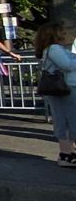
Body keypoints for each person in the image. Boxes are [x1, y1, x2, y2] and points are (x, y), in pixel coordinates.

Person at [33, 22, 76, 167]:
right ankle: (67, 154)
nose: (64, 33)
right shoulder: (55, 48)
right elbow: (67, 65)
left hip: (61, 87)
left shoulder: (49, 49)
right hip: (67, 87)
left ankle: (67, 153)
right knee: (70, 119)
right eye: (61, 31)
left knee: (63, 120)